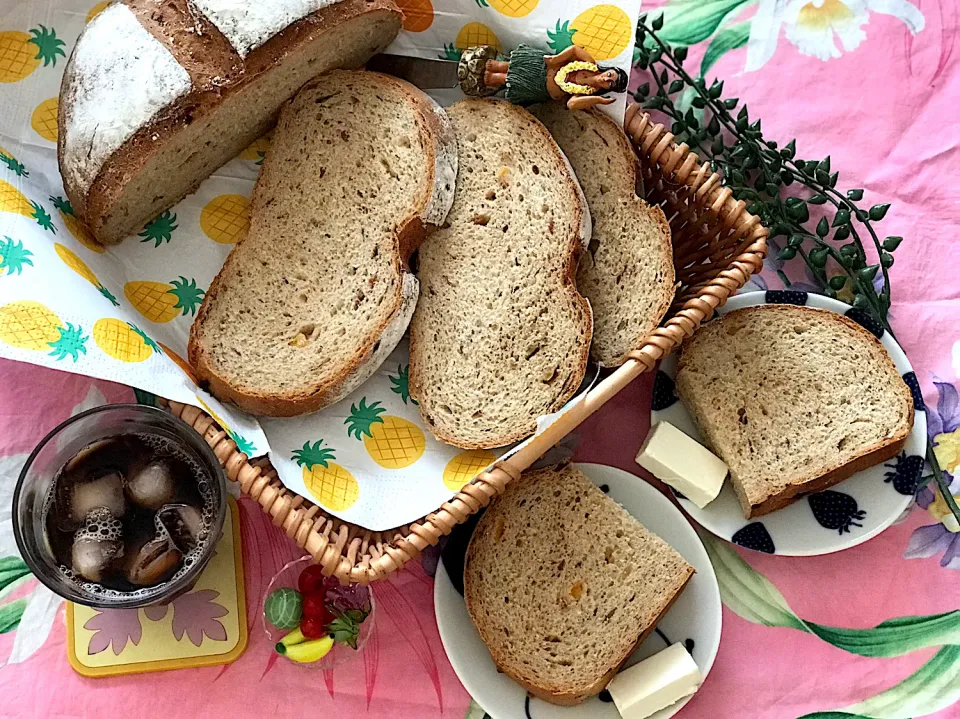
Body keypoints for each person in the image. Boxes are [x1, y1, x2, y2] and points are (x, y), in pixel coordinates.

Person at [460, 44, 628, 111]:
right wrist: (557, 59)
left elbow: (571, 104)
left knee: (508, 80)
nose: (606, 79)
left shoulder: (588, 92)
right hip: (543, 67)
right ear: (609, 70)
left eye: (610, 83)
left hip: (539, 88)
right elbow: (575, 50)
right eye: (610, 75)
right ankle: (493, 66)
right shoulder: (590, 63)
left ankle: (489, 80)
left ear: (609, 89)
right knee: (513, 66)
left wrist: (597, 100)